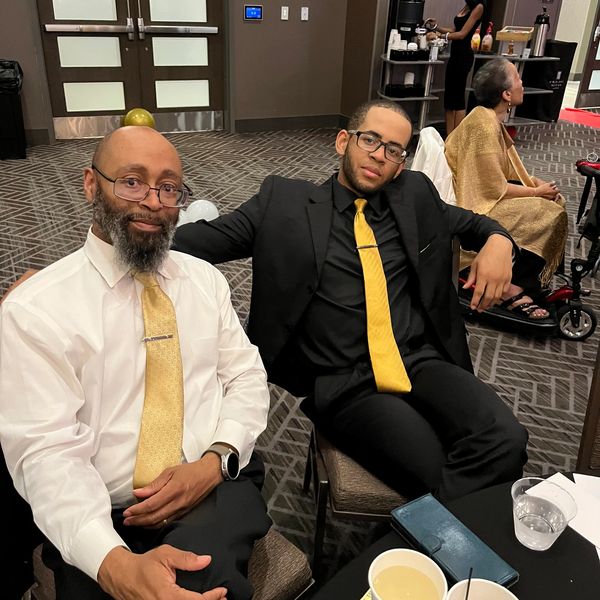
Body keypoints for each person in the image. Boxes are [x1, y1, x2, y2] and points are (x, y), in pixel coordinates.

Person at [173, 99, 528, 503]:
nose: (379, 155)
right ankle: (454, 534)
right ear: (344, 141)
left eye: (393, 150)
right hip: (347, 382)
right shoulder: (283, 204)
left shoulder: (415, 195)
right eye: (370, 140)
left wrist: (500, 241)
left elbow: (476, 224)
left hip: (418, 359)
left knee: (507, 439)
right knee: (435, 471)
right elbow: (194, 244)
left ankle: (428, 532)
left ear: (401, 164)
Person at [0, 126, 271, 600]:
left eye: (169, 188)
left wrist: (215, 460)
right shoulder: (37, 311)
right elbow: (46, 454)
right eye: (131, 181)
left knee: (205, 579)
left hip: (214, 480)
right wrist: (112, 564)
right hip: (102, 511)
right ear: (91, 184)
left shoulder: (205, 282)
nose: (152, 201)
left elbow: (246, 376)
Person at [445, 58, 568, 320]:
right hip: (474, 205)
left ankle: (522, 277)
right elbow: (491, 188)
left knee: (553, 202)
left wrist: (535, 183)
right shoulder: (483, 125)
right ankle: (509, 286)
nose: (522, 83)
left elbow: (507, 171)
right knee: (548, 213)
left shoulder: (489, 119)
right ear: (506, 94)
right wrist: (536, 193)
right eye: (517, 79)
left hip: (484, 195)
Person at [425, 1, 486, 135]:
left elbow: (462, 34)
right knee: (449, 99)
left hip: (464, 57)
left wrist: (439, 36)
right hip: (455, 56)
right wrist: (436, 27)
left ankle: (458, 137)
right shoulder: (467, 6)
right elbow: (454, 30)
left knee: (458, 99)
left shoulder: (479, 7)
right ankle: (449, 137)